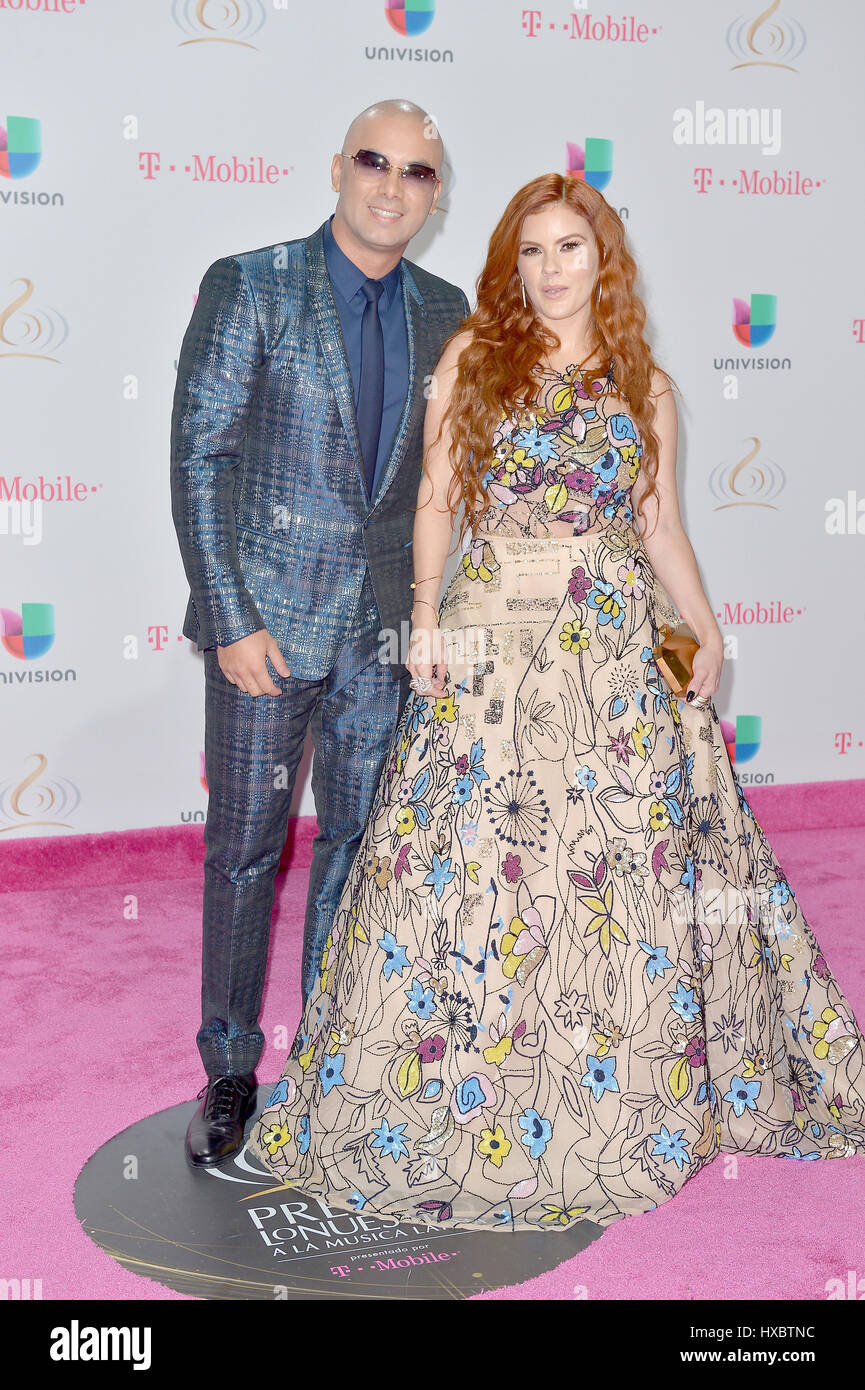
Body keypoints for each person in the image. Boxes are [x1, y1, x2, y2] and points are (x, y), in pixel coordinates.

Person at [245, 174, 865, 1230]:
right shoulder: (474, 361)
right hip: (494, 640)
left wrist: (705, 624)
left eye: (569, 247)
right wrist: (429, 615)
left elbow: (658, 522)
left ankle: (620, 1092)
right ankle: (471, 1092)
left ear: (603, 260)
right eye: (530, 251)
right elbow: (439, 500)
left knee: (617, 867)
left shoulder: (644, 381)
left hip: (614, 653)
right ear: (511, 265)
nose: (549, 269)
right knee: (474, 864)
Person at [170, 99, 469, 1167]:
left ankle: (332, 1063)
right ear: (338, 168)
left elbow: (443, 483)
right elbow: (199, 462)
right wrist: (231, 619)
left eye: (419, 173)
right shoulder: (249, 283)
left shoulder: (448, 311)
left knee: (357, 848)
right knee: (245, 853)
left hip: (381, 639)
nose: (394, 186)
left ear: (436, 193)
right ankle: (229, 1070)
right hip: (267, 632)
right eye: (376, 163)